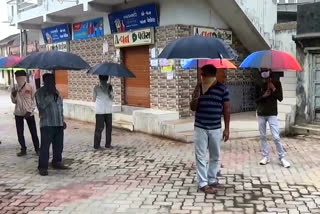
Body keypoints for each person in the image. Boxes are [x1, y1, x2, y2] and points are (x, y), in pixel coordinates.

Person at [190, 65, 231, 194]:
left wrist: (227, 129)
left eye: (204, 74)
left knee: (215, 155)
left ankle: (212, 179)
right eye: (201, 74)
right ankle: (203, 183)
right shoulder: (199, 87)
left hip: (215, 127)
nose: (201, 76)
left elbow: (227, 109)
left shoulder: (222, 89)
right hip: (200, 126)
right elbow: (192, 107)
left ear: (211, 75)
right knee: (200, 156)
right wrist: (196, 97)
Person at [255, 69, 291, 168]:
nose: (265, 80)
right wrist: (264, 96)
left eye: (267, 77)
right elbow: (255, 99)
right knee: (263, 136)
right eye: (264, 78)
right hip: (261, 113)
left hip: (272, 113)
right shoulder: (258, 84)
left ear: (270, 74)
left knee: (276, 136)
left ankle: (282, 157)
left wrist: (274, 89)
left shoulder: (277, 83)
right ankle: (265, 156)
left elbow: (280, 98)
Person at [35, 73, 68, 176]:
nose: (52, 83)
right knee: (45, 147)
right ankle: (43, 167)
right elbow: (41, 106)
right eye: (49, 80)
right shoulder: (39, 93)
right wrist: (50, 95)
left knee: (59, 145)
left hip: (58, 123)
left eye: (53, 80)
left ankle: (57, 162)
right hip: (47, 124)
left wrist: (62, 120)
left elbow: (60, 107)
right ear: (45, 81)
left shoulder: (57, 92)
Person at [11, 70, 40, 157]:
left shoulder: (30, 87)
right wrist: (14, 95)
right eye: (16, 77)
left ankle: (37, 149)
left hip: (29, 113)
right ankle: (23, 149)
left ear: (24, 77)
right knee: (20, 133)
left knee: (33, 132)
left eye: (19, 77)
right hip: (18, 113)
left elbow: (34, 100)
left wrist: (30, 110)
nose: (18, 79)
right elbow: (14, 101)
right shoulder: (14, 88)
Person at [93, 75, 114, 150]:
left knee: (99, 128)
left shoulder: (96, 87)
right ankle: (107, 144)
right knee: (109, 128)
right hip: (106, 110)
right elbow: (112, 97)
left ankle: (97, 145)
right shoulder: (109, 87)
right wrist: (109, 92)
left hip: (100, 111)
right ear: (107, 78)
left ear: (99, 79)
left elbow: (94, 99)